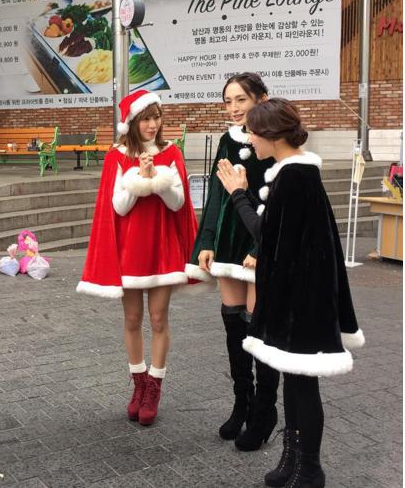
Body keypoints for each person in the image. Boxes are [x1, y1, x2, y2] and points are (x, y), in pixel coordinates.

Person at [215, 98, 364, 488]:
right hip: (300, 296)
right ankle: (293, 461)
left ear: (270, 134)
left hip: (302, 300)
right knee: (296, 381)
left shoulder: (295, 174)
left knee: (302, 384)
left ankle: (308, 469)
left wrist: (237, 193)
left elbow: (266, 236)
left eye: (252, 131)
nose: (249, 139)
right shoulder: (294, 171)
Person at [77, 90, 198, 426]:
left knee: (158, 319)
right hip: (130, 253)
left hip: (162, 250)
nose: (152, 125)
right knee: (132, 320)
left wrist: (156, 180)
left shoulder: (172, 153)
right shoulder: (117, 156)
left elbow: (178, 204)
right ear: (132, 122)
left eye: (156, 117)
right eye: (146, 118)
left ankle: (155, 387)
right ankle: (138, 384)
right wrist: (138, 180)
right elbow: (117, 207)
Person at [186, 72, 280, 451]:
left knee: (259, 332)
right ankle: (242, 402)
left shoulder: (273, 139)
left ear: (261, 98)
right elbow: (216, 196)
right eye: (228, 101)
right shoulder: (226, 140)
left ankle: (264, 411)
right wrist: (205, 240)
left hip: (260, 241)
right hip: (228, 242)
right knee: (234, 327)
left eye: (241, 99)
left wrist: (262, 247)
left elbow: (279, 198)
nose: (235, 107)